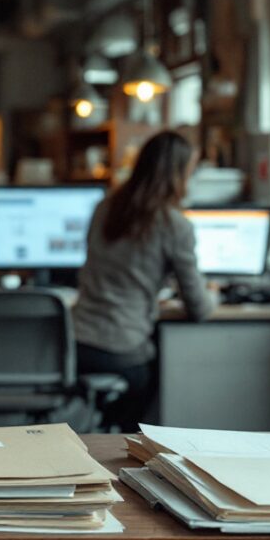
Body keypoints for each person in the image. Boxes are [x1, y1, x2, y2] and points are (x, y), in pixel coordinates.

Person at [73, 130, 215, 430]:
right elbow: (199, 308)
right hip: (122, 350)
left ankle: (102, 437)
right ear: (179, 174)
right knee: (157, 383)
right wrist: (213, 292)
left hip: (76, 343)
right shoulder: (174, 225)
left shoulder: (104, 209)